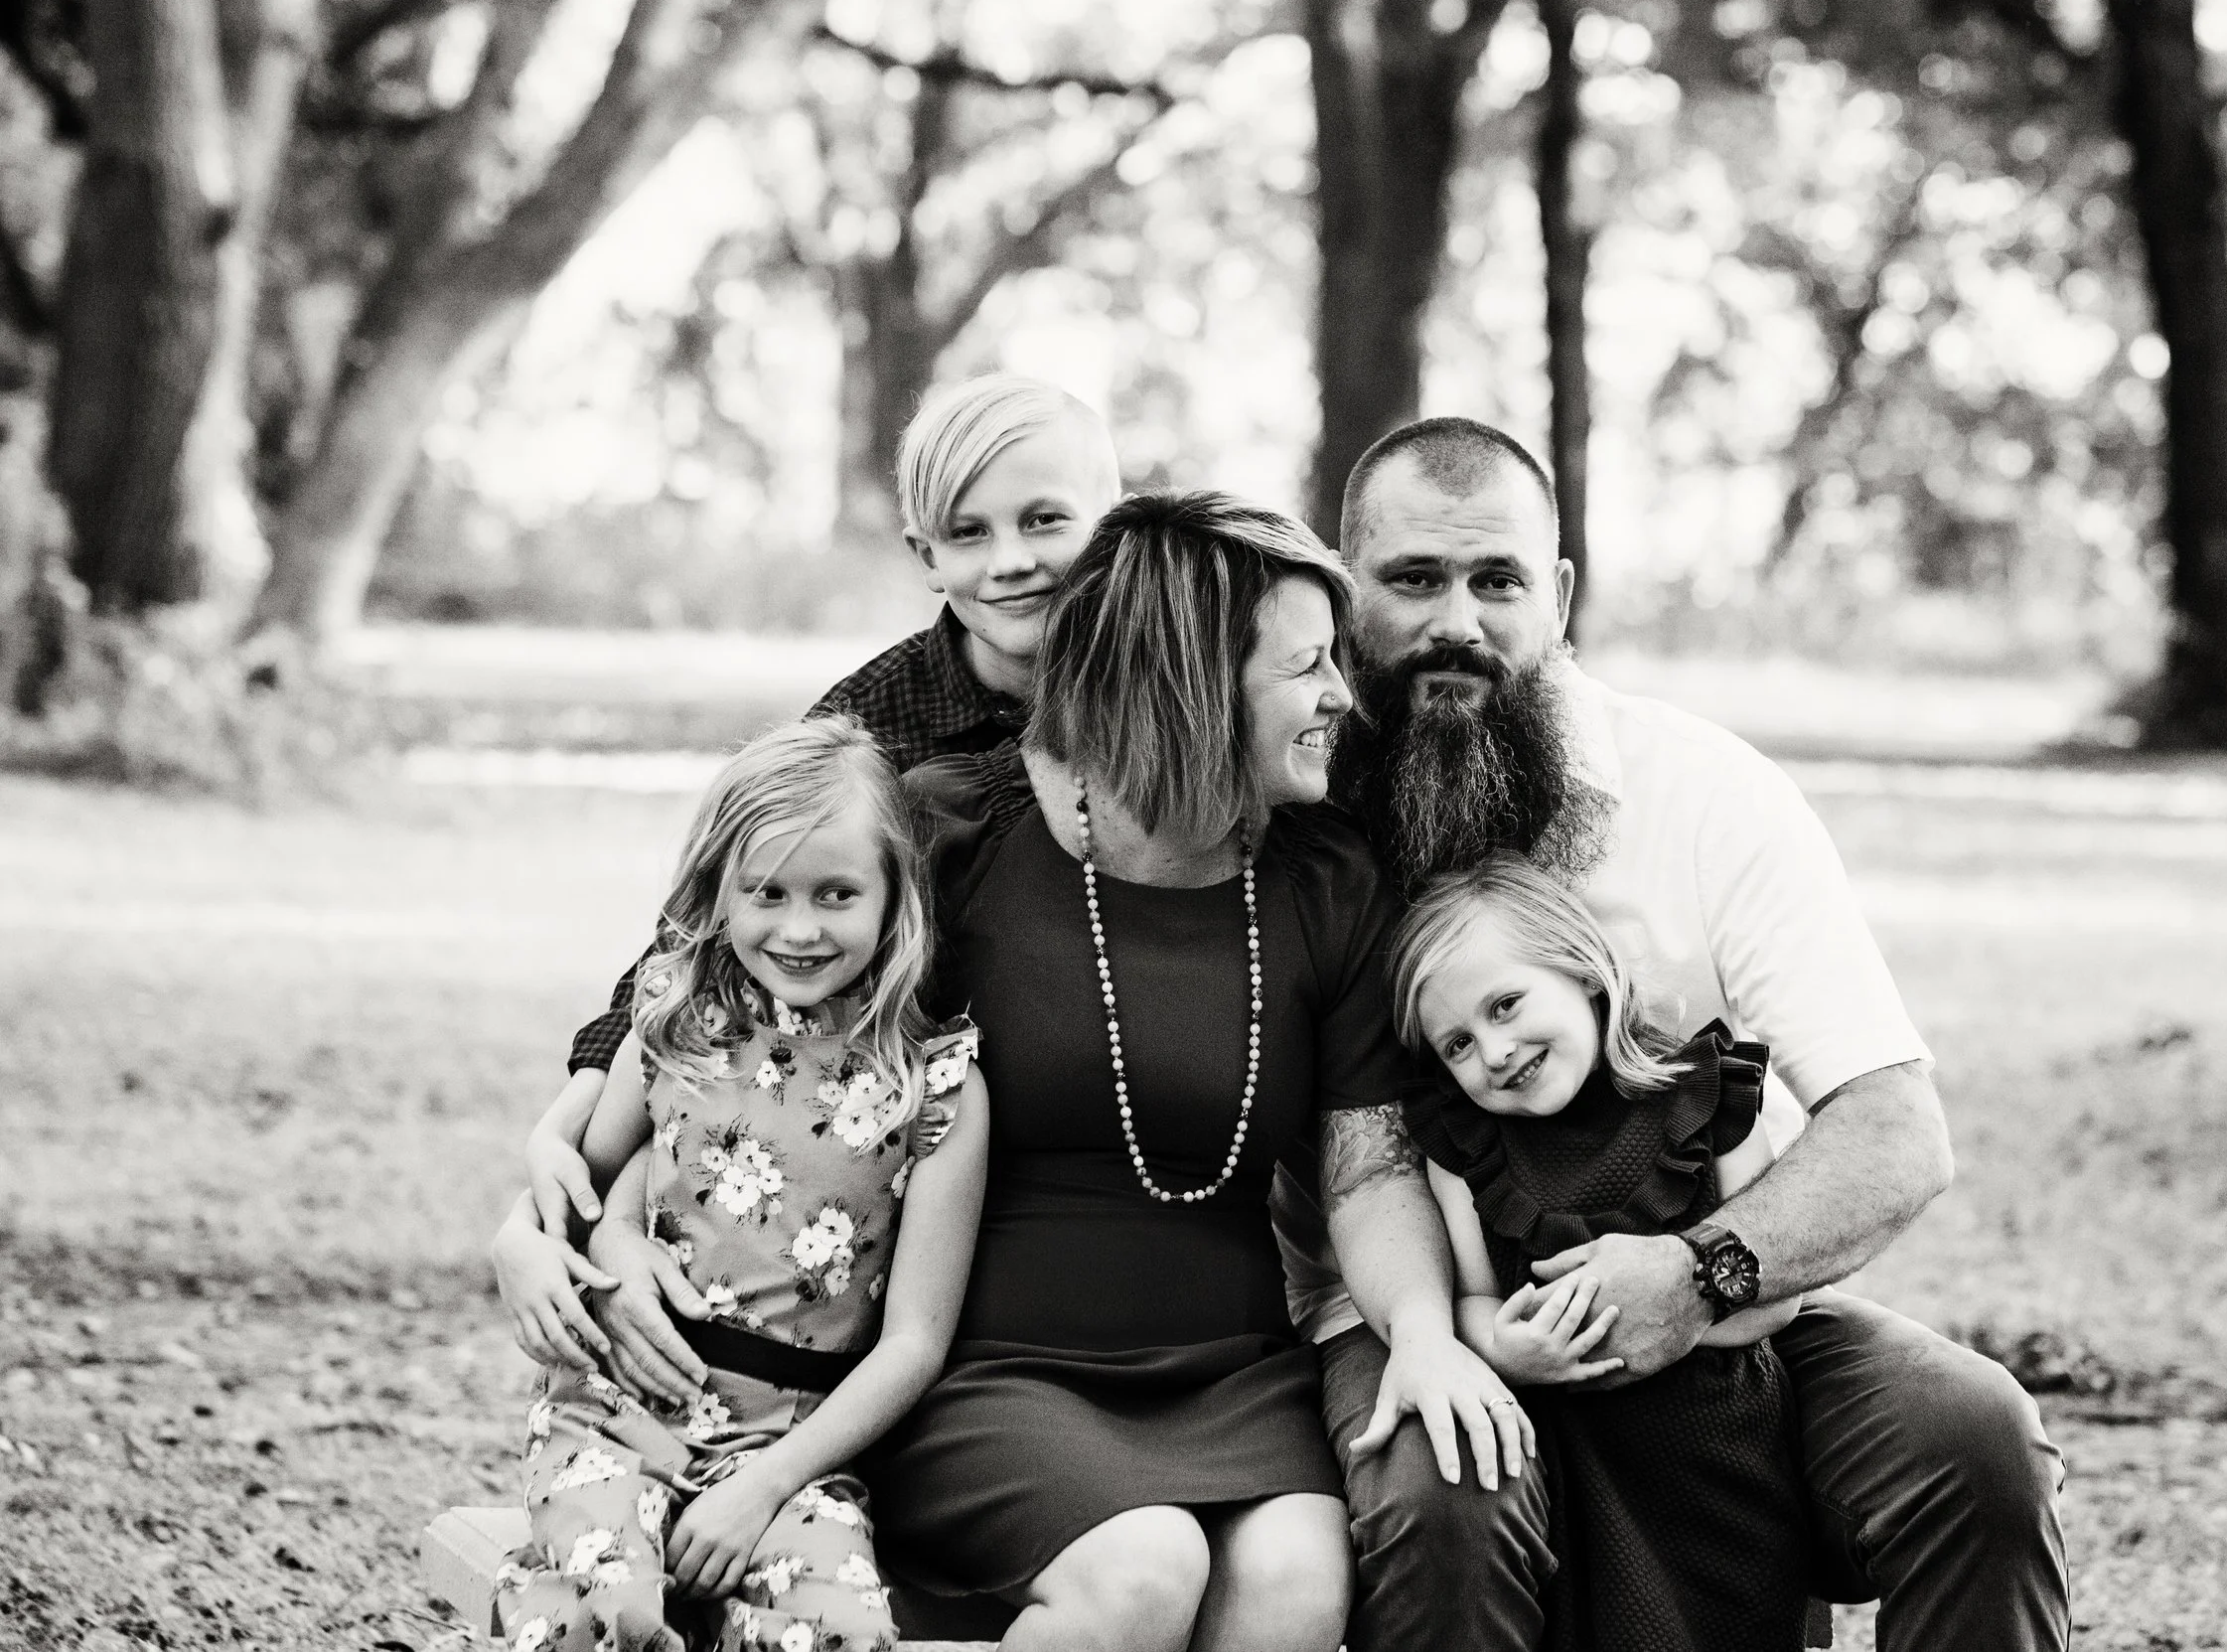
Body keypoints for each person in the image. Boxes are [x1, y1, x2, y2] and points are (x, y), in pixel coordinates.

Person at [1299, 416, 2071, 1652]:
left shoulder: (1706, 793)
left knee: (1973, 1435)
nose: (1459, 621)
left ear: (1556, 595)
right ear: (1345, 596)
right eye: (1413, 580)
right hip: (1427, 1314)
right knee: (1444, 1484)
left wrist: (1697, 1273)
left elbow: (1895, 1129)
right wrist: (1449, 1331)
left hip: (1716, 1301)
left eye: (1496, 581)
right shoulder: (1299, 804)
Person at [859, 491, 1521, 1652]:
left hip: (1232, 1372)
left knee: (1296, 1587)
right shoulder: (954, 833)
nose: (1340, 698)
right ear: (1194, 680)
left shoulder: (1326, 876)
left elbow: (1366, 1165)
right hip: (989, 1364)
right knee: (1141, 1568)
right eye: (1306, 668)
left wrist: (1419, 1329)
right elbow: (781, 1051)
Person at [495, 375, 1120, 1373]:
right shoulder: (875, 720)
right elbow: (703, 935)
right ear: (924, 555)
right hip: (905, 1144)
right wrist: (554, 1168)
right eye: (968, 532)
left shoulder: (1164, 697)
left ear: (1111, 522)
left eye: (1045, 520)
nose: (1011, 560)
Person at [488, 717, 991, 1652]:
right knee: (612, 1612)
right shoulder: (676, 1025)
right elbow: (590, 1195)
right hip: (616, 1415)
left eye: (837, 894)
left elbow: (914, 1343)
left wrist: (765, 1487)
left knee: (839, 1632)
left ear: (895, 897)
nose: (799, 928)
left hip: (791, 1455)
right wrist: (612, 1237)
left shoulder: (938, 1087)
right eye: (766, 893)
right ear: (720, 894)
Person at [1393, 853, 1814, 1651]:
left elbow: (1775, 1287)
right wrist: (1507, 1352)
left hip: (1719, 1453)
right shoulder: (1465, 1150)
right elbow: (1472, 1301)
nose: (1495, 1049)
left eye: (1507, 1003)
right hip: (1576, 1462)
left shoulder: (1705, 1098)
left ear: (1584, 971)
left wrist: (1678, 1320)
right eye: (1456, 1042)